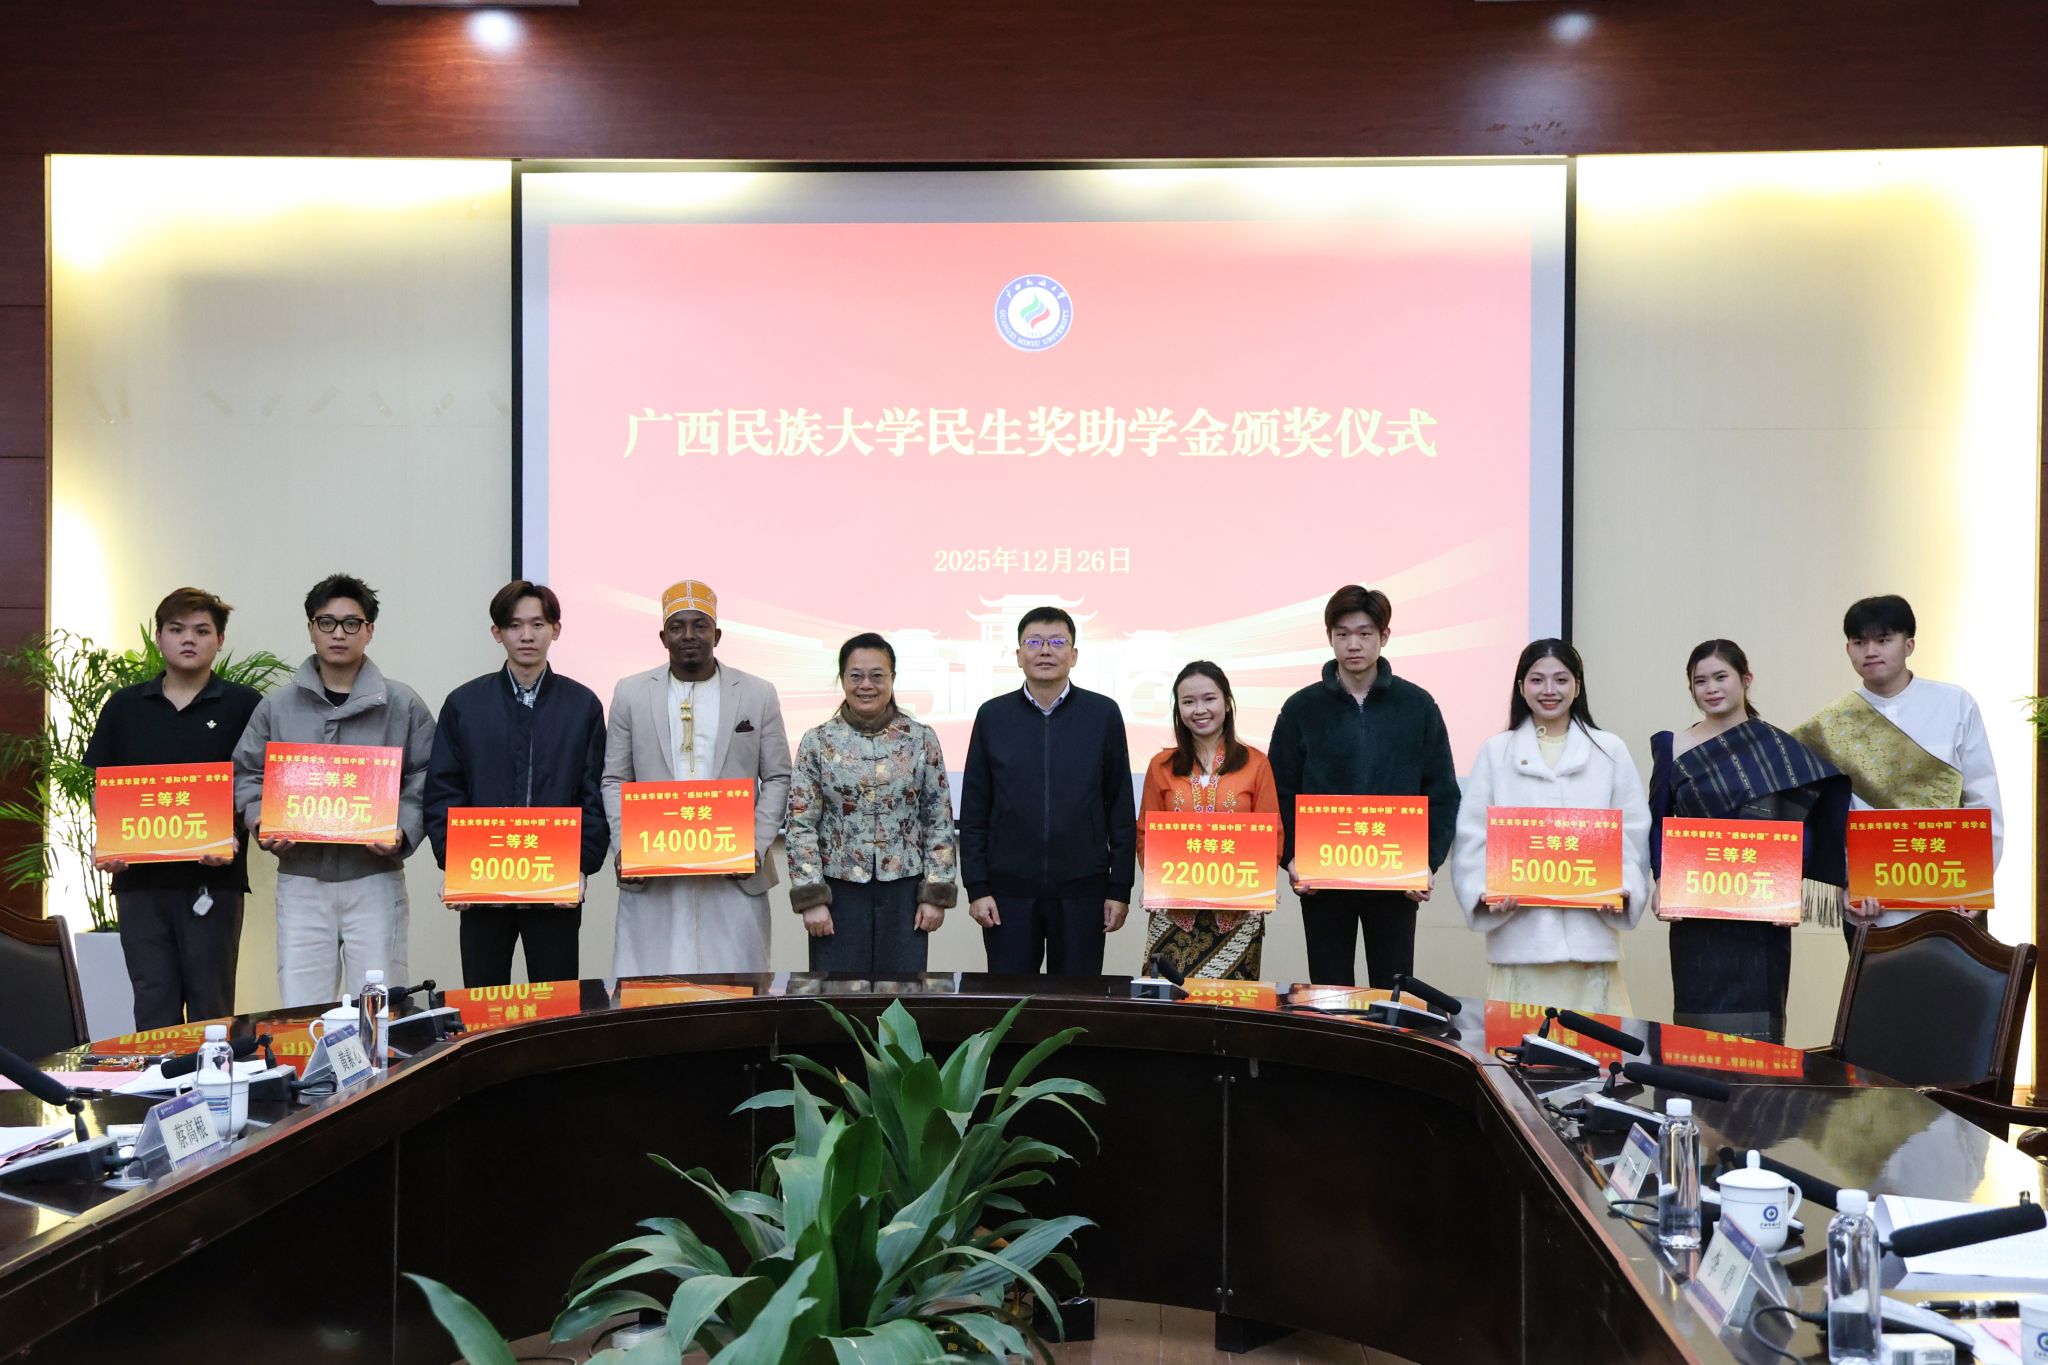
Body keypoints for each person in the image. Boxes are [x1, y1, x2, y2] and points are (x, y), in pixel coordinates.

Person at [232, 573, 436, 1008]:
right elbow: (246, 772)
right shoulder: (277, 706)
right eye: (326, 622)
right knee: (303, 1007)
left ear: (370, 630)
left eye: (351, 623)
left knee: (378, 1007)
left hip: (375, 878)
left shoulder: (402, 704)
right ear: (311, 628)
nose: (338, 633)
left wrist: (402, 830)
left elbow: (427, 776)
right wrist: (261, 819)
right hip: (301, 878)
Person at [1649, 640, 1850, 1042]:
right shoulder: (1673, 746)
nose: (1711, 688)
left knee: (1759, 1034)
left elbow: (1803, 827)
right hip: (1695, 913)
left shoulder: (1777, 750)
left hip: (1762, 913)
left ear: (1746, 679)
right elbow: (1658, 822)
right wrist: (1660, 881)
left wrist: (1788, 888)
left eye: (1720, 677)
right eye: (1700, 681)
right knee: (1696, 1034)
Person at [82, 588, 263, 1028]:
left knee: (212, 1006)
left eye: (202, 631)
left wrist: (234, 832)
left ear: (220, 640)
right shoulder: (125, 707)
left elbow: (260, 783)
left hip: (213, 882)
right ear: (159, 636)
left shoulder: (245, 705)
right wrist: (110, 840)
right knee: (152, 1002)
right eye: (177, 629)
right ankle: (157, 1078)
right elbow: (103, 787)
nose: (189, 639)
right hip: (139, 883)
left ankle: (213, 1077)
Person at [1269, 584, 1460, 988]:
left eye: (1364, 633)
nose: (1353, 644)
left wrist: (1427, 862)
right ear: (1330, 638)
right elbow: (1279, 791)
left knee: (1392, 991)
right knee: (1328, 992)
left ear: (1384, 636)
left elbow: (1442, 792)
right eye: (1342, 634)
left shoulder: (1417, 706)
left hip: (1395, 878)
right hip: (1322, 879)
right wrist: (1291, 858)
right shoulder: (1301, 709)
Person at [601, 579, 792, 976]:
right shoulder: (631, 693)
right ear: (663, 637)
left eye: (700, 625)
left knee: (737, 989)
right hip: (655, 872)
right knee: (652, 988)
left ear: (717, 635)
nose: (688, 635)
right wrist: (624, 846)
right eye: (677, 626)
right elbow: (615, 779)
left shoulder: (757, 693)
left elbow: (777, 777)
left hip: (735, 874)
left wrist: (756, 847)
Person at [423, 581, 609, 987]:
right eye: (514, 625)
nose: (527, 635)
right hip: (482, 884)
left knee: (557, 1004)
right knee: (484, 1001)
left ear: (555, 630)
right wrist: (455, 862)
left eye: (538, 624)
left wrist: (581, 864)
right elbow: (443, 791)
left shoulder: (582, 705)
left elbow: (593, 792)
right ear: (497, 633)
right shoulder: (464, 704)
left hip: (555, 885)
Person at [1449, 640, 1651, 1013]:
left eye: (1561, 679)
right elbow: (1473, 835)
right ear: (1521, 686)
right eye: (1537, 680)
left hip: (1591, 942)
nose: (1549, 690)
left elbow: (1633, 831)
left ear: (1578, 685)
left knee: (1596, 1045)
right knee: (1517, 1045)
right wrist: (1486, 892)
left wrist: (1622, 890)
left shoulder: (1609, 749)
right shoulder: (1497, 750)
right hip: (1519, 940)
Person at [1793, 594, 2003, 931]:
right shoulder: (1828, 726)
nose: (1870, 651)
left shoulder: (1954, 704)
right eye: (1859, 642)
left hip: (1953, 896)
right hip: (1869, 902)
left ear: (1909, 644)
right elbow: (1819, 818)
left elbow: (1983, 797)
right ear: (1848, 649)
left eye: (1883, 640)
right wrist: (1843, 886)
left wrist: (1976, 885)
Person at [960, 605, 1136, 975]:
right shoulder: (993, 716)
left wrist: (1119, 888)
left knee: (1075, 1002)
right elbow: (975, 810)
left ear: (1073, 655)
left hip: (1083, 892)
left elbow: (1119, 806)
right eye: (1034, 642)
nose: (1045, 651)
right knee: (1010, 1001)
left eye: (1057, 642)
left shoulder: (1102, 714)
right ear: (1018, 654)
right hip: (1008, 893)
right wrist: (977, 887)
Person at [784, 633, 956, 974]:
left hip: (905, 890)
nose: (866, 685)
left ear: (892, 678)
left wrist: (935, 893)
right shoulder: (818, 741)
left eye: (877, 676)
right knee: (839, 993)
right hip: (838, 891)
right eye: (856, 676)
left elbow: (938, 818)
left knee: (902, 992)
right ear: (842, 679)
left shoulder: (920, 738)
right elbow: (800, 822)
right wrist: (811, 897)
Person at [1137, 661, 1280, 980]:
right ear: (1178, 709)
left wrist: (1262, 883)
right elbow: (1146, 832)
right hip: (1174, 912)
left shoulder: (1256, 763)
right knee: (1168, 999)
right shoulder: (1161, 765)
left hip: (1238, 913)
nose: (1199, 710)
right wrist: (1155, 883)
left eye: (1209, 699)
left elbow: (1271, 834)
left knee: (1231, 1005)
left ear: (1227, 703)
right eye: (1188, 702)